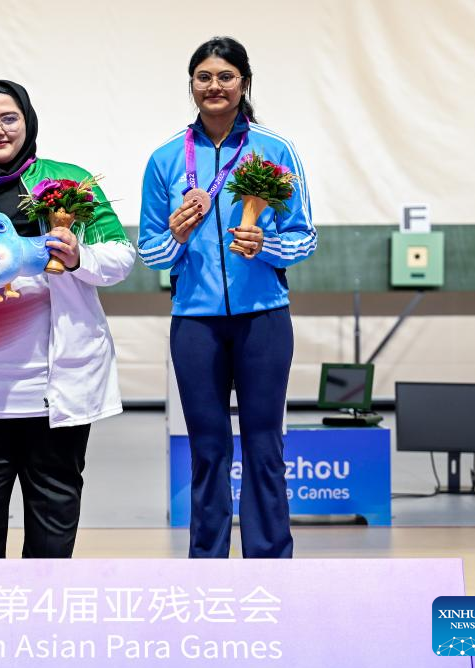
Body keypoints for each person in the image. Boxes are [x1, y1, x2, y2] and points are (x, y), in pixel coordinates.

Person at [0, 79, 135, 559]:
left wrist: (79, 257)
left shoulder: (68, 181)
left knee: (53, 523)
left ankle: (42, 608)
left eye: (9, 118)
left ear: (28, 122)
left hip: (51, 388)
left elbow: (120, 257)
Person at [138, 37, 317, 559]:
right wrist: (176, 235)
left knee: (265, 445)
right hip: (195, 321)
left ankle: (270, 560)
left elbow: (305, 237)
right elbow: (151, 252)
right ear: (191, 85)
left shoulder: (275, 150)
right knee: (207, 447)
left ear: (244, 83)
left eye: (225, 76)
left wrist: (267, 245)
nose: (214, 86)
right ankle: (208, 563)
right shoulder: (166, 158)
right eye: (204, 77)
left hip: (264, 318)